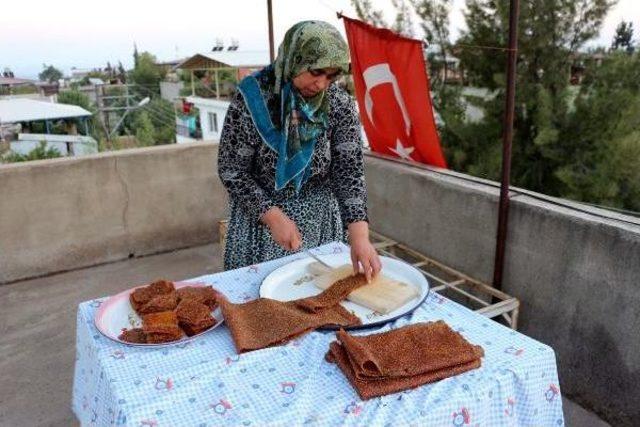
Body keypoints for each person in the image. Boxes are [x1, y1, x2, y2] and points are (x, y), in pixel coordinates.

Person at [218, 20, 381, 281]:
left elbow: (349, 173)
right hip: (259, 229)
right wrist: (271, 216)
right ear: (296, 58)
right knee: (260, 311)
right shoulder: (252, 99)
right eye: (315, 71)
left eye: (331, 76)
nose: (321, 84)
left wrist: (360, 237)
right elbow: (232, 170)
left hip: (320, 226)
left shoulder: (339, 105)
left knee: (319, 304)